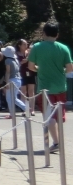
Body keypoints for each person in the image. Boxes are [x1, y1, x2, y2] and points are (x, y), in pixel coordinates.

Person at [28, 23, 73, 151]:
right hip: (61, 86)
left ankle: (57, 142)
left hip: (44, 88)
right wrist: (60, 71)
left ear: (44, 33)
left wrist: (39, 69)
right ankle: (58, 141)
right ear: (57, 34)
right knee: (58, 116)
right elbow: (70, 68)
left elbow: (31, 66)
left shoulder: (37, 47)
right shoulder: (63, 48)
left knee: (49, 116)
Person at [0, 45, 26, 118]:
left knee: (9, 98)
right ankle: (26, 108)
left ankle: (12, 114)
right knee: (14, 98)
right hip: (18, 79)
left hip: (12, 80)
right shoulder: (16, 60)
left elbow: (8, 72)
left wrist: (7, 82)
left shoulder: (7, 60)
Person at [16, 39, 37, 115]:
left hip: (31, 72)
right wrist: (22, 62)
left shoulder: (29, 52)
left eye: (26, 44)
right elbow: (16, 64)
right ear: (19, 45)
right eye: (24, 44)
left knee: (31, 91)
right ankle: (25, 109)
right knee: (23, 92)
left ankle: (32, 110)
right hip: (21, 74)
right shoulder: (16, 54)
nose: (26, 46)